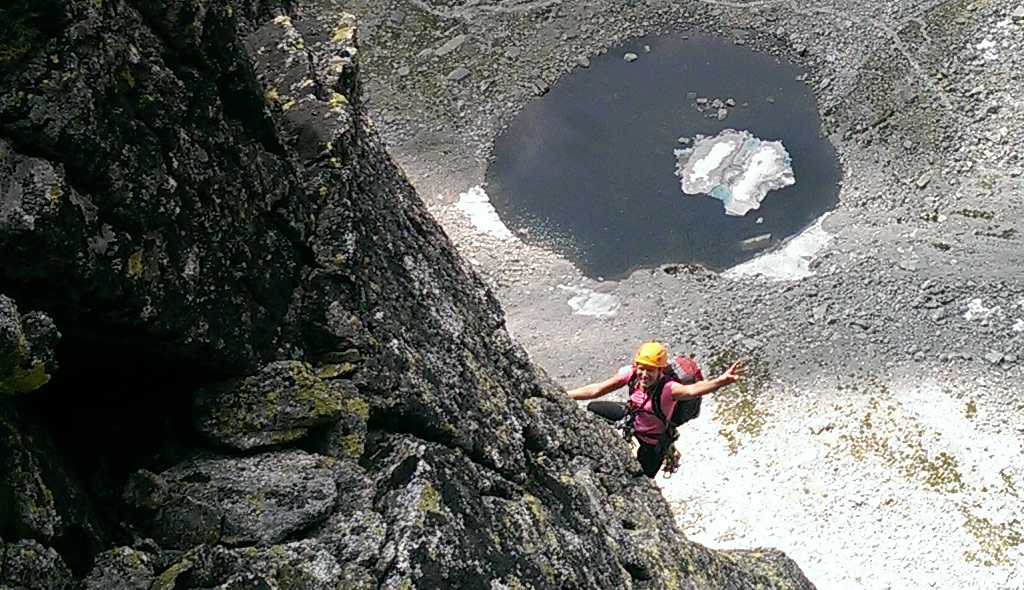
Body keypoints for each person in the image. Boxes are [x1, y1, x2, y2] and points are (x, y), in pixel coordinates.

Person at [567, 341, 745, 478]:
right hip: (632, 419)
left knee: (639, 479)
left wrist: (721, 381)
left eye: (650, 370)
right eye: (641, 369)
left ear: (660, 370)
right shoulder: (630, 374)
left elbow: (692, 390)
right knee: (594, 409)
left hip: (653, 444)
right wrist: (566, 394)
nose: (644, 375)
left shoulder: (669, 389)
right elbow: (596, 390)